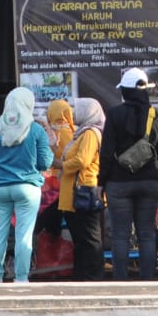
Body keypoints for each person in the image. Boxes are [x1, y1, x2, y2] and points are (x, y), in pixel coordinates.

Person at [0, 86, 54, 283]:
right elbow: (45, 163)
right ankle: (21, 278)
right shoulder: (35, 129)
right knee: (24, 235)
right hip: (27, 188)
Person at [100, 68, 158, 280]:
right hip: (149, 182)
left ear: (126, 91)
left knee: (121, 235)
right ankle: (147, 281)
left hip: (118, 183)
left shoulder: (114, 114)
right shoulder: (156, 115)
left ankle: (121, 281)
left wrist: (101, 182)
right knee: (146, 234)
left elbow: (107, 151)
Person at [58, 97, 105, 280]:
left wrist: (62, 165)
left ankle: (93, 278)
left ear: (88, 112)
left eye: (77, 109)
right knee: (81, 239)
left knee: (89, 239)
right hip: (76, 192)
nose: (73, 113)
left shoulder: (90, 134)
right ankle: (82, 276)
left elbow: (82, 161)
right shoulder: (82, 133)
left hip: (85, 192)